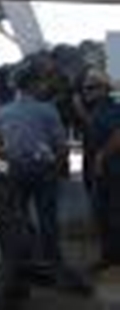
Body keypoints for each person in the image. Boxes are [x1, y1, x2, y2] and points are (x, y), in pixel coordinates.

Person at [0, 63, 69, 274]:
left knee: (19, 216)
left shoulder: (2, 113)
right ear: (33, 84)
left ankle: (25, 258)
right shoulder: (47, 110)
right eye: (40, 81)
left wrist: (9, 158)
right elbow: (61, 146)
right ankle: (52, 261)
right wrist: (57, 168)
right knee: (47, 217)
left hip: (16, 169)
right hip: (44, 169)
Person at [77, 68, 120, 270]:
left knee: (112, 215)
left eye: (92, 88)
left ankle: (112, 257)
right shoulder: (97, 110)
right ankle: (109, 256)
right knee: (103, 215)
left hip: (112, 171)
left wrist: (102, 156)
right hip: (102, 171)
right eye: (86, 88)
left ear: (103, 89)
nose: (88, 92)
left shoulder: (111, 109)